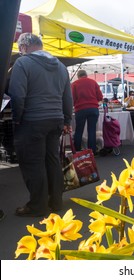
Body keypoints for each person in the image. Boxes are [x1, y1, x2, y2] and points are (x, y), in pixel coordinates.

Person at [8, 33, 73, 217]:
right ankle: (56, 201)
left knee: (33, 164)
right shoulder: (60, 66)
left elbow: (17, 95)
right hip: (56, 120)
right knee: (52, 160)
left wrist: (17, 117)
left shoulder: (23, 63)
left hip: (32, 120)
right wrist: (67, 120)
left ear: (23, 47)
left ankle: (38, 206)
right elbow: (67, 98)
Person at [71, 69, 103, 154]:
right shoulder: (93, 82)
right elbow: (100, 97)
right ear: (86, 75)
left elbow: (72, 99)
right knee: (91, 130)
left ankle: (77, 150)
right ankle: (92, 151)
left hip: (80, 109)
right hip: (93, 109)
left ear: (78, 76)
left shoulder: (74, 84)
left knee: (79, 130)